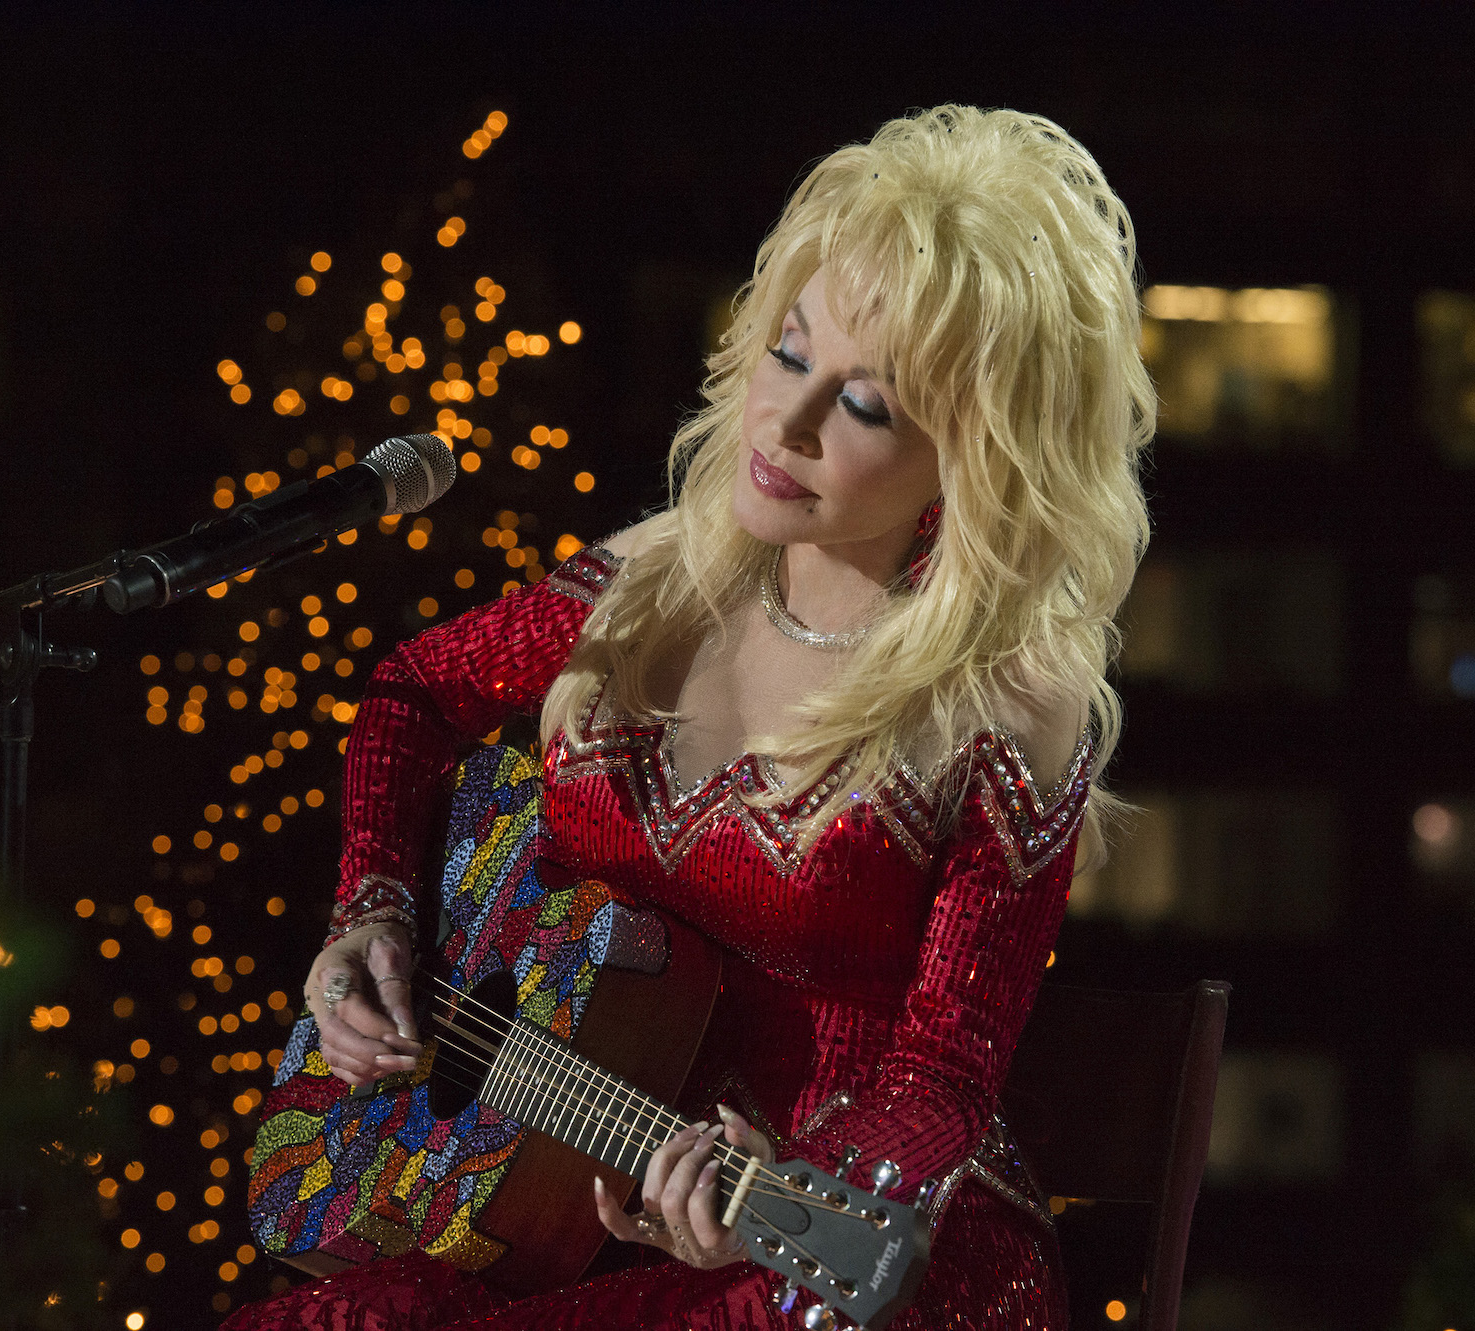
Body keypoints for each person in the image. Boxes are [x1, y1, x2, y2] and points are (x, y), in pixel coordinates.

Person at [225, 103, 1152, 1331]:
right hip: (550, 1201)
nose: (788, 423)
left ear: (978, 454)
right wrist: (373, 909)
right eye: (787, 351)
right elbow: (409, 694)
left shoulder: (1007, 712)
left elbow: (941, 1083)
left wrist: (784, 1183)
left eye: (864, 406)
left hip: (843, 1265)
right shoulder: (645, 582)